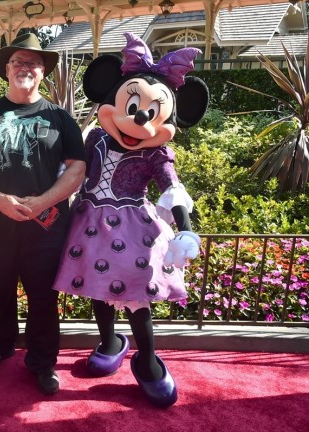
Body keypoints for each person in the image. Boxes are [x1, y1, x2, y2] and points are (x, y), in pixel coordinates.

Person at [52, 33, 209, 407]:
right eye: (134, 105)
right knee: (97, 288)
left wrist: (186, 229)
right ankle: (109, 342)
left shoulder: (157, 154)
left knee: (137, 295)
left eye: (152, 112)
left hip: (133, 227)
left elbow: (172, 187)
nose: (139, 117)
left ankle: (148, 361)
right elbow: (74, 172)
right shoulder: (96, 139)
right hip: (89, 223)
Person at [0, 33, 87, 395]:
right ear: (7, 70)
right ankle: (1, 346)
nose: (25, 68)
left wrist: (43, 201)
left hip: (45, 228)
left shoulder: (60, 118)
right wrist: (0, 200)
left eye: (33, 63)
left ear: (43, 71)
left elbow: (77, 169)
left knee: (43, 298)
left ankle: (42, 361)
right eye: (18, 62)